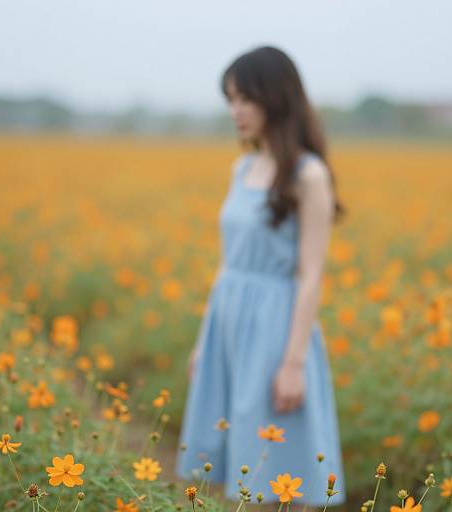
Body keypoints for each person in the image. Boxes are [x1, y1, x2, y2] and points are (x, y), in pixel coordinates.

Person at [175, 45, 347, 511]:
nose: (236, 111)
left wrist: (293, 364)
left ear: (276, 97)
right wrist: (202, 342)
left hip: (277, 328)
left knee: (281, 465)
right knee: (240, 468)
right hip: (228, 323)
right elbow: (227, 264)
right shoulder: (241, 169)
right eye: (230, 99)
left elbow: (311, 274)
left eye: (245, 98)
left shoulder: (309, 175)